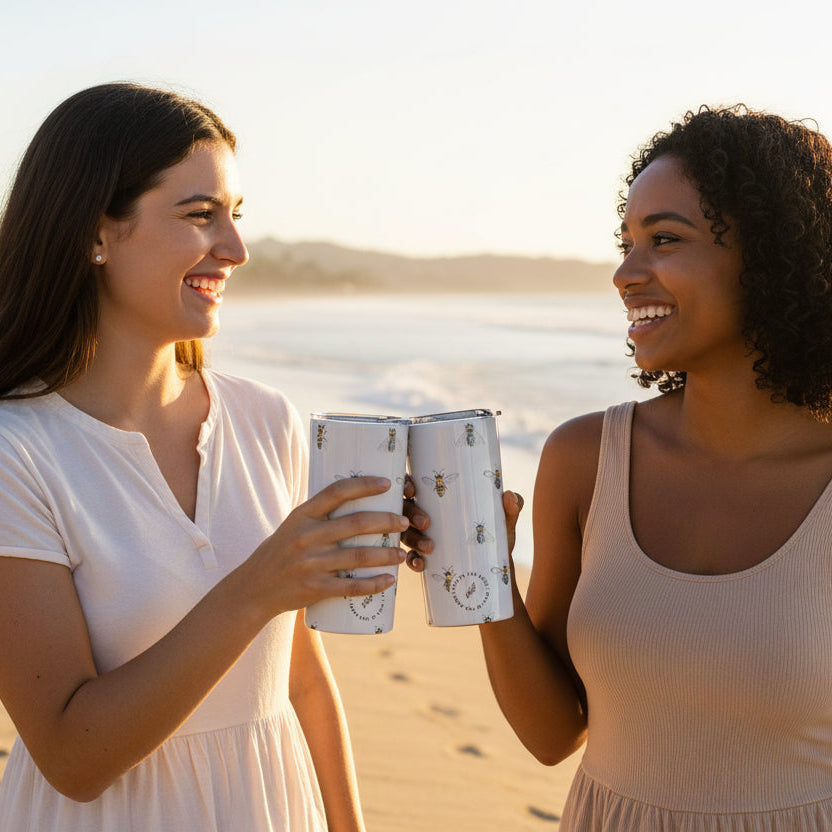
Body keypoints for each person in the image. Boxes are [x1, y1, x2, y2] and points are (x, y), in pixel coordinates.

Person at [0, 83, 411, 832]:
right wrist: (254, 589)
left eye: (236, 215)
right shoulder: (17, 453)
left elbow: (300, 685)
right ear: (97, 231)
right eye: (200, 215)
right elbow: (71, 756)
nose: (236, 248)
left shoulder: (267, 421)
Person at [408, 105, 832, 828]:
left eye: (663, 240)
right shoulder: (585, 459)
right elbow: (551, 734)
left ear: (774, 256)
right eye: (626, 242)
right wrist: (486, 570)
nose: (624, 275)